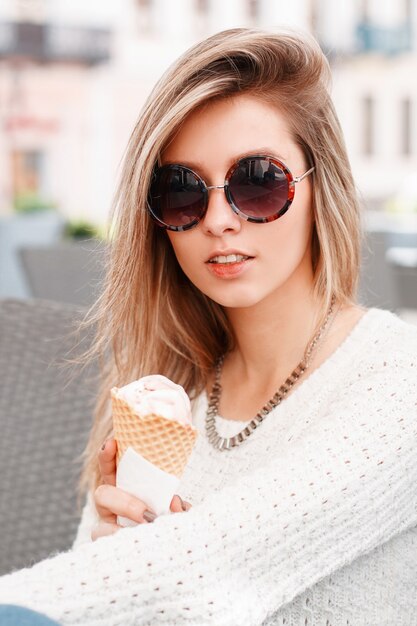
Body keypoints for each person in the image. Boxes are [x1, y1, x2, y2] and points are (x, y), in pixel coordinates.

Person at [0, 27, 416, 626]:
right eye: (181, 191)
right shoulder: (169, 392)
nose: (218, 220)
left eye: (257, 181)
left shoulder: (398, 385)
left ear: (319, 187)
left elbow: (204, 568)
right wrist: (116, 548)